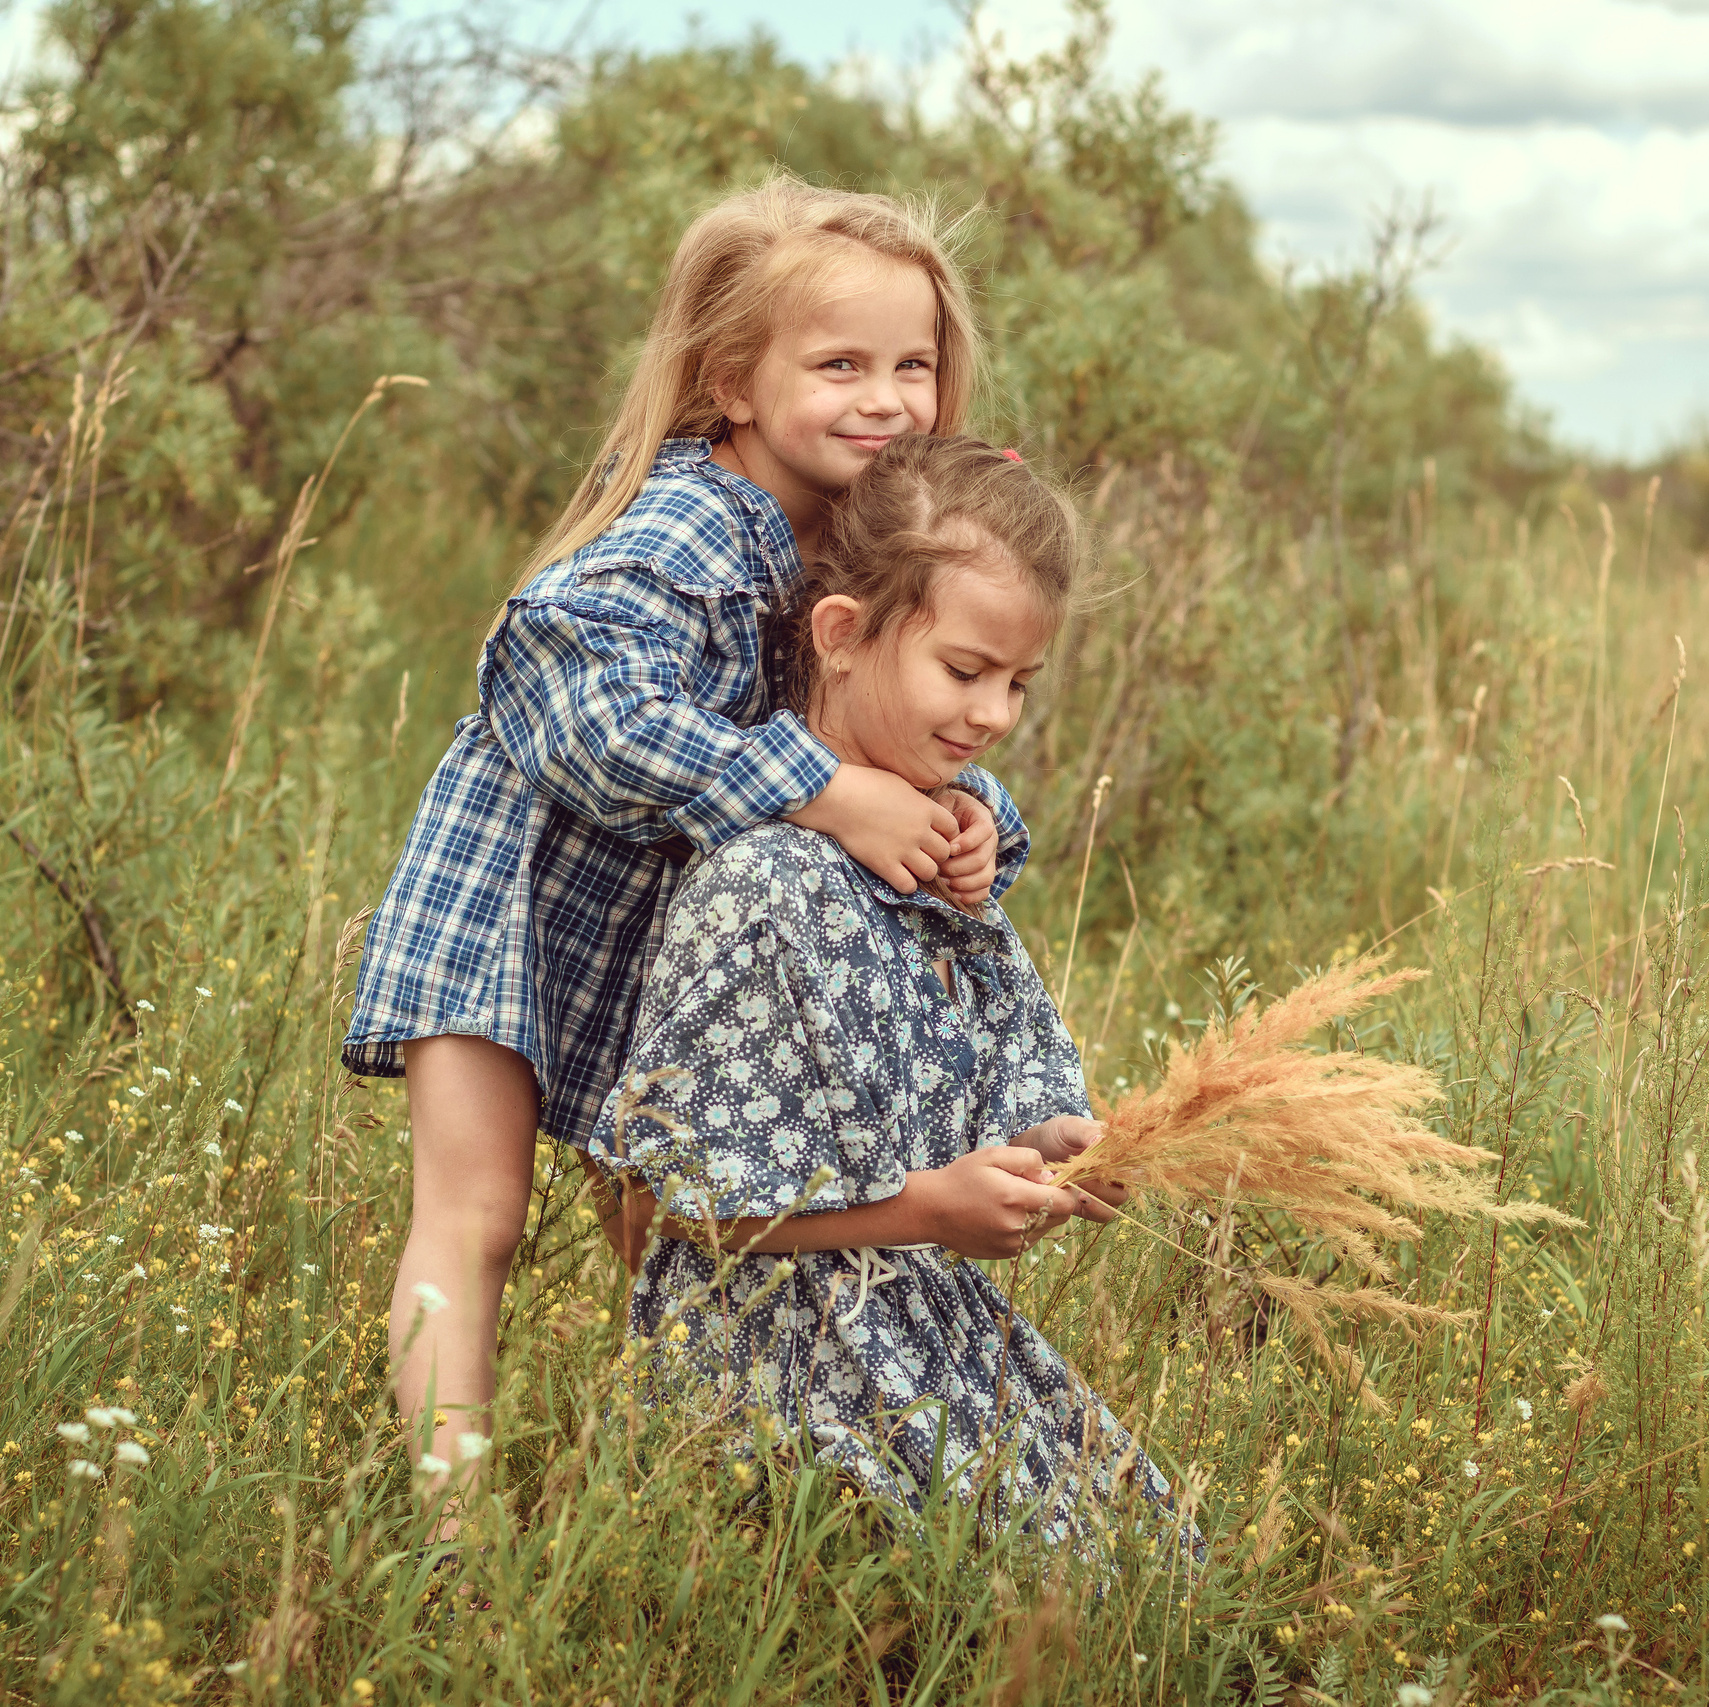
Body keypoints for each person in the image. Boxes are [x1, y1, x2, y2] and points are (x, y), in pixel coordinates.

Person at [343, 180, 1036, 1515]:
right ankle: (451, 1527)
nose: (885, 396)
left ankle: (684, 1491)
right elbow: (571, 694)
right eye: (839, 364)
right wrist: (825, 791)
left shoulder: (862, 539)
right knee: (475, 1213)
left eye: (914, 364)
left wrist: (970, 826)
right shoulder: (684, 523)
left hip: (664, 936)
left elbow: (898, 725)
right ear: (733, 380)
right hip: (516, 897)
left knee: (677, 1219)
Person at [596, 435, 1186, 1554]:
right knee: (1027, 1595)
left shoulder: (938, 861)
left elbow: (1004, 1075)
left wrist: (1058, 1150)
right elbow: (664, 1205)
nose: (996, 714)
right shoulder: (761, 882)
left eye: (1017, 683)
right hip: (776, 1371)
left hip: (927, 1326)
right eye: (964, 672)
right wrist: (929, 1211)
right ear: (842, 636)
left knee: (1156, 1577)